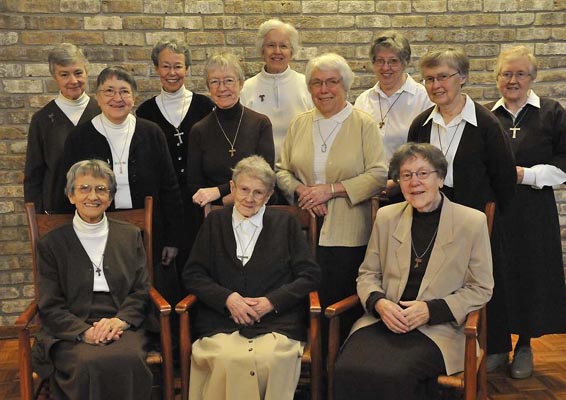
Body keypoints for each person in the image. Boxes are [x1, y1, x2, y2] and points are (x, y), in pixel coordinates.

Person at [333, 143, 494, 400]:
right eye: (406, 175)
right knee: (347, 367)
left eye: (423, 173)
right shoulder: (387, 217)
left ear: (440, 178)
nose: (414, 182)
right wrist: (380, 304)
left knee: (396, 374)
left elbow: (481, 288)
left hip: (439, 328)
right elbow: (368, 274)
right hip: (383, 321)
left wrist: (431, 310)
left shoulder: (472, 222)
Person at [406, 48, 516, 363]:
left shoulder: (486, 124)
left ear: (462, 78)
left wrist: (488, 219)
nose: (436, 85)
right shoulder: (421, 124)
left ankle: (491, 348)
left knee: (477, 280)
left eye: (443, 77)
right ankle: (436, 344)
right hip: (428, 216)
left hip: (473, 217)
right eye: (429, 79)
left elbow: (504, 178)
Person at [183, 155, 320, 400]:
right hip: (221, 321)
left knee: (270, 358)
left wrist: (271, 302)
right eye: (244, 189)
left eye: (258, 193)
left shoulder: (286, 222)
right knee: (227, 358)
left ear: (268, 196)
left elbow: (309, 275)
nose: (249, 198)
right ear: (232, 188)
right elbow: (193, 274)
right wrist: (228, 299)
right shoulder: (215, 221)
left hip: (276, 322)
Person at [486, 46, 566, 379]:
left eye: (520, 74)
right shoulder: (485, 115)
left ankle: (524, 345)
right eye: (506, 73)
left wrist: (525, 175)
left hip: (533, 212)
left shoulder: (550, 112)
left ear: (532, 77)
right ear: (496, 77)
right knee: (493, 275)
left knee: (529, 276)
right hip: (493, 213)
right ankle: (497, 346)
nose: (512, 80)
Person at [60, 66, 183, 308]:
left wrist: (172, 239)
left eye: (124, 91)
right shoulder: (80, 137)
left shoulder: (151, 132)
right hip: (99, 233)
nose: (117, 98)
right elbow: (69, 190)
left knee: (155, 298)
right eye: (109, 91)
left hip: (150, 233)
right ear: (97, 97)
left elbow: (170, 188)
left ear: (134, 97)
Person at [276, 52, 387, 318]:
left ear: (345, 85)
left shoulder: (364, 124)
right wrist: (303, 192)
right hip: (302, 232)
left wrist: (331, 190)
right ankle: (309, 357)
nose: (324, 90)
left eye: (331, 82)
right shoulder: (299, 123)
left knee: (339, 307)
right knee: (303, 305)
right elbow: (281, 170)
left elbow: (379, 174)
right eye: (316, 83)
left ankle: (339, 357)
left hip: (348, 233)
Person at [35, 159, 152, 399]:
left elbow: (141, 290)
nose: (93, 196)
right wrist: (84, 332)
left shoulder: (130, 236)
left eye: (101, 189)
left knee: (128, 358)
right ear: (71, 196)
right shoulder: (51, 244)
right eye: (84, 188)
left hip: (121, 321)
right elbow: (50, 304)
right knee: (87, 363)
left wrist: (120, 321)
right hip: (71, 326)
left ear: (110, 199)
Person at [136, 39, 214, 279]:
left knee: (202, 267)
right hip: (164, 205)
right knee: (168, 273)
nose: (172, 73)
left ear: (187, 69)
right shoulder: (145, 112)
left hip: (199, 203)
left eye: (178, 66)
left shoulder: (205, 106)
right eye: (166, 66)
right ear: (156, 69)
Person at [188, 53, 275, 207]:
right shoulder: (199, 130)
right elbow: (195, 186)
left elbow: (265, 177)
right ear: (208, 87)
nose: (222, 88)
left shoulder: (261, 124)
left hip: (255, 207)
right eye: (215, 82)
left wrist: (219, 192)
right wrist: (224, 200)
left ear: (241, 84)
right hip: (214, 213)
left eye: (229, 80)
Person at [354, 31, 432, 198]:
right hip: (368, 189)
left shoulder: (423, 98)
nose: (385, 68)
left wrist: (396, 182)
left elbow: (429, 152)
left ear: (405, 63)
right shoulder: (363, 100)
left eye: (393, 61)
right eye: (380, 61)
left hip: (411, 187)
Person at [24, 43, 100, 214]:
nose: (73, 81)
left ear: (87, 72)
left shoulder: (103, 112)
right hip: (57, 212)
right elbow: (34, 176)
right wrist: (36, 217)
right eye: (64, 74)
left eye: (78, 73)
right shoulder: (42, 120)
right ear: (55, 77)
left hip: (101, 209)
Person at [240, 18, 313, 162]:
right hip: (258, 173)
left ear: (292, 51)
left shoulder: (307, 85)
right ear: (262, 49)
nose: (277, 51)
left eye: (284, 46)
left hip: (299, 170)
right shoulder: (246, 88)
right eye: (271, 45)